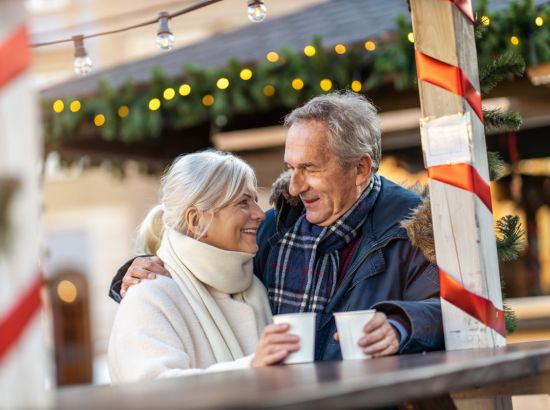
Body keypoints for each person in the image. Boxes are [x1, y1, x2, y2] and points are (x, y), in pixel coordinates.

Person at [110, 91, 444, 361]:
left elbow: (457, 308)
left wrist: (401, 324)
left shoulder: (415, 225)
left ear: (360, 169)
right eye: (291, 167)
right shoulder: (275, 229)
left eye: (310, 168)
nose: (295, 186)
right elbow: (206, 269)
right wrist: (134, 272)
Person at [108, 151, 300, 384]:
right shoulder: (148, 296)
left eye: (255, 201)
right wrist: (251, 368)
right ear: (196, 221)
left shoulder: (254, 287)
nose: (260, 214)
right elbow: (153, 392)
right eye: (242, 202)